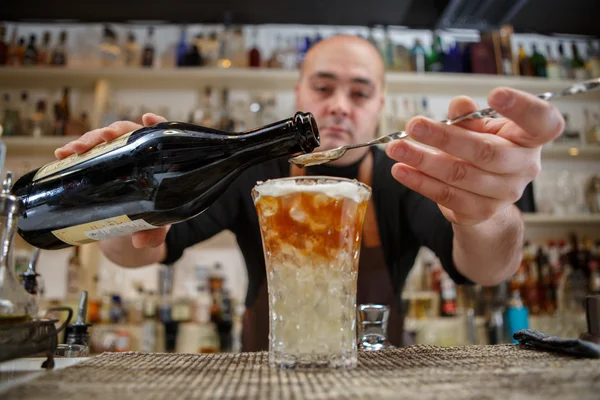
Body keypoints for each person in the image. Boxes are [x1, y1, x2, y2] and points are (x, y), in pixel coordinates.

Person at [54, 35, 564, 351]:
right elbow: (139, 255)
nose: (341, 106)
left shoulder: (404, 173)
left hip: (384, 377)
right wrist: (122, 204)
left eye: (360, 92)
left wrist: (489, 211)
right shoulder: (249, 174)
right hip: (263, 375)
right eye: (323, 88)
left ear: (380, 104)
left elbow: (486, 269)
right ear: (298, 94)